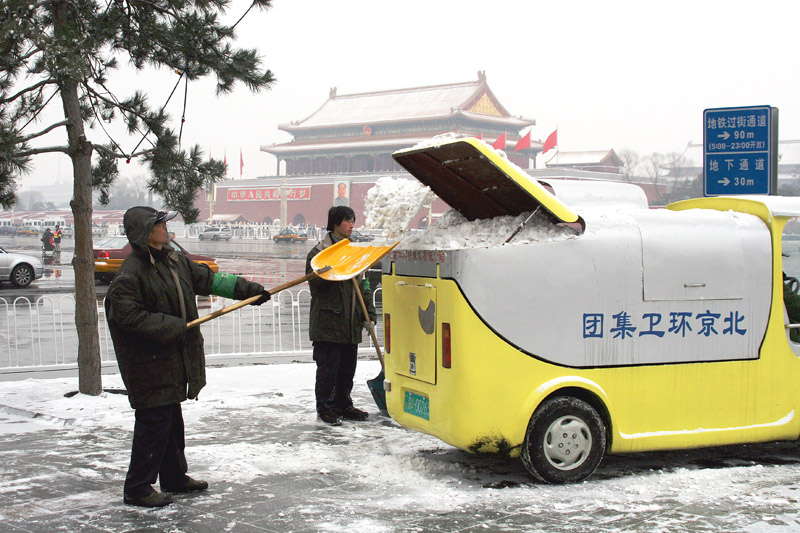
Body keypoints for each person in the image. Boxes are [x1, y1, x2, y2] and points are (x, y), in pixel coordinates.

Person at [105, 206, 271, 508]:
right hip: (148, 362)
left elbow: (209, 280)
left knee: (170, 420)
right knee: (153, 422)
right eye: (160, 224)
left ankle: (173, 477)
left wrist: (248, 290)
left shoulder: (174, 260)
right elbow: (128, 317)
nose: (167, 228)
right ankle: (138, 487)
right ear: (146, 233)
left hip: (173, 357)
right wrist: (173, 326)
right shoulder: (131, 273)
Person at [305, 206, 375, 425]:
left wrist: (369, 314)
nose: (352, 225)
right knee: (328, 369)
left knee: (347, 369)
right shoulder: (318, 253)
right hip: (329, 321)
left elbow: (364, 285)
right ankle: (325, 408)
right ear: (335, 223)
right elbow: (314, 285)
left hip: (350, 321)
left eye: (353, 221)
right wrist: (332, 267)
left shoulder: (354, 251)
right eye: (347, 221)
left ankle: (344, 405)